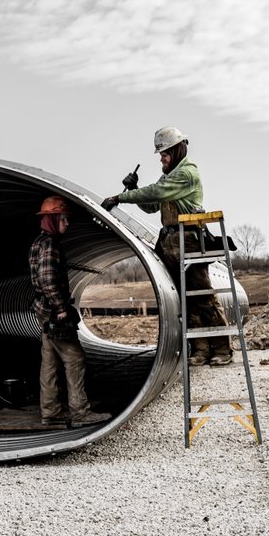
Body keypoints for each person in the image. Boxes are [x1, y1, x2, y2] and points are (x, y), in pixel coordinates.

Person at [100, 126, 232, 366]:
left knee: (202, 296)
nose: (161, 158)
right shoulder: (169, 176)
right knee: (185, 298)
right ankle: (200, 350)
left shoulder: (187, 173)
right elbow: (152, 205)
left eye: (164, 153)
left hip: (188, 240)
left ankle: (222, 348)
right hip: (170, 242)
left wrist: (120, 197)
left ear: (177, 150)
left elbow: (157, 192)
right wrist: (133, 190)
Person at [31, 196, 111, 429]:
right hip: (54, 311)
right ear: (54, 219)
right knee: (74, 358)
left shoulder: (38, 242)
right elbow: (47, 279)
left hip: (43, 311)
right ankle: (80, 412)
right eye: (65, 219)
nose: (68, 224)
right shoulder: (49, 245)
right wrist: (60, 308)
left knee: (49, 362)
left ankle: (50, 412)